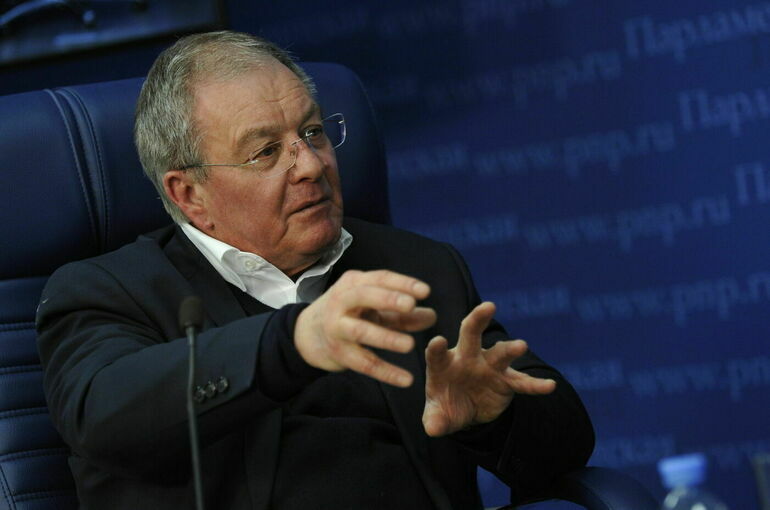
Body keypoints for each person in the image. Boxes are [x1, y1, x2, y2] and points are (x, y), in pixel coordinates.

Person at [36, 31, 594, 510]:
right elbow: (103, 413)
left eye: (312, 132)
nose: (310, 164)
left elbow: (566, 445)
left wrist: (494, 418)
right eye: (265, 152)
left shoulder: (415, 266)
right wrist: (294, 341)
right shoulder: (109, 292)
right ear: (189, 194)